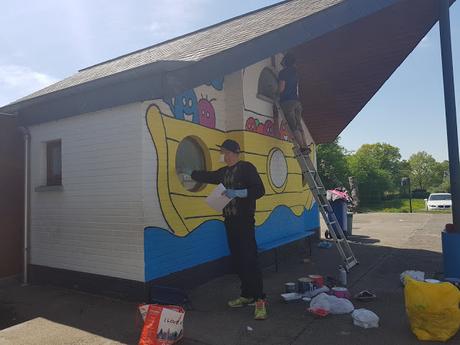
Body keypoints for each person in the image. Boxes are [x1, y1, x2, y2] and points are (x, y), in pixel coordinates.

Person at [190, 139, 267, 320]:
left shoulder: (247, 168)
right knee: (238, 259)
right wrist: (189, 173)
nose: (222, 155)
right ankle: (246, 295)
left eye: (223, 152)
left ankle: (260, 300)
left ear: (231, 153)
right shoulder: (223, 172)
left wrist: (238, 193)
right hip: (230, 221)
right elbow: (208, 176)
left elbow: (259, 190)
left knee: (249, 259)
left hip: (244, 221)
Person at [278, 52, 309, 153]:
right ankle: (305, 145)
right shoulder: (295, 73)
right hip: (297, 102)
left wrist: (275, 93)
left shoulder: (283, 73)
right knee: (299, 125)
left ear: (285, 62)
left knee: (293, 126)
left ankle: (302, 148)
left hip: (287, 102)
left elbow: (281, 88)